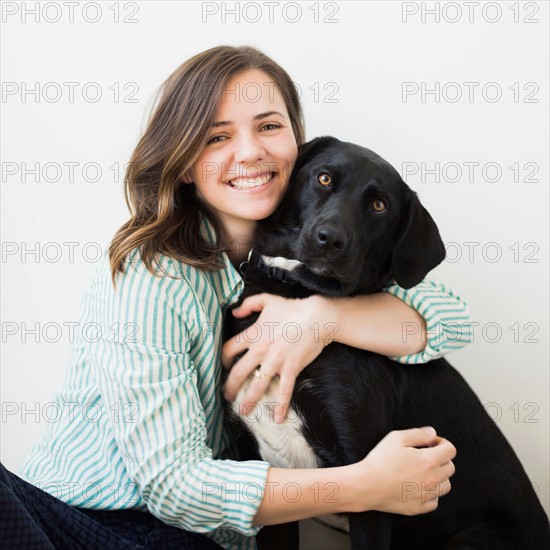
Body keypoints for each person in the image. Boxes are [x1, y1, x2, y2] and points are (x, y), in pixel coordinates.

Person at [2, 46, 470, 550]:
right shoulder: (153, 276)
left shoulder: (302, 269)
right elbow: (173, 488)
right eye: (217, 136)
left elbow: (451, 318)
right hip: (80, 524)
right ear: (183, 161)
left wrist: (322, 318)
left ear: (298, 143)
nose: (249, 152)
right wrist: (364, 486)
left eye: (268, 126)